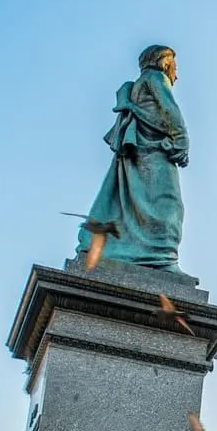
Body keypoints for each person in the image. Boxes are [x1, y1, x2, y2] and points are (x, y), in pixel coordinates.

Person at [76, 45, 189, 271]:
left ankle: (127, 251)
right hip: (156, 152)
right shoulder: (156, 78)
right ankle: (163, 258)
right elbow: (170, 111)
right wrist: (181, 140)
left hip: (138, 152)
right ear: (166, 62)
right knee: (168, 205)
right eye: (175, 66)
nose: (177, 74)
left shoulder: (139, 84)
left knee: (131, 203)